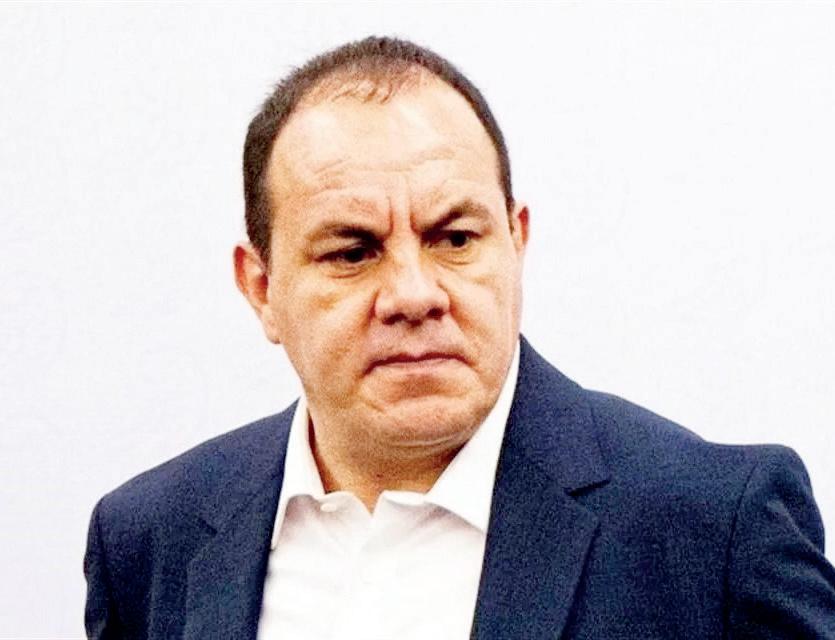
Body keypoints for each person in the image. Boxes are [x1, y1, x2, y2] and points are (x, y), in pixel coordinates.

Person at [83, 36, 835, 639]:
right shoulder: (150, 542)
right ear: (261, 288)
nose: (415, 295)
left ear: (516, 241)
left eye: (454, 238)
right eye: (352, 251)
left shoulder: (713, 527)